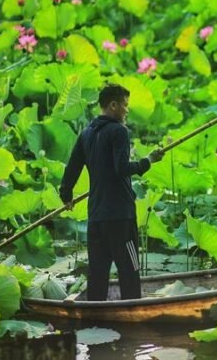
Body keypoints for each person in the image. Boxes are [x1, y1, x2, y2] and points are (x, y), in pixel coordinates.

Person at [60, 84, 163, 300]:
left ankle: (95, 316)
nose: (127, 110)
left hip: (96, 216)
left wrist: (66, 194)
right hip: (121, 217)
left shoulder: (87, 133)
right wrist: (148, 161)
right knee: (130, 271)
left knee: (97, 273)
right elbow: (122, 169)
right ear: (113, 105)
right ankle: (132, 315)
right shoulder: (118, 131)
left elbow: (72, 168)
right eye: (125, 105)